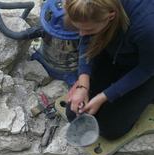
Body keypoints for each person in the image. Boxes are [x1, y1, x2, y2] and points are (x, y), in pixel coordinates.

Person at [64, 0, 154, 140]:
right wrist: (83, 85)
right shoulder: (93, 13)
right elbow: (87, 40)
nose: (81, 34)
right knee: (74, 113)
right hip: (114, 48)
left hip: (146, 65)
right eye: (78, 28)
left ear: (111, 16)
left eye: (88, 29)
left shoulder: (147, 27)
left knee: (111, 129)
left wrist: (104, 96)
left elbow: (146, 69)